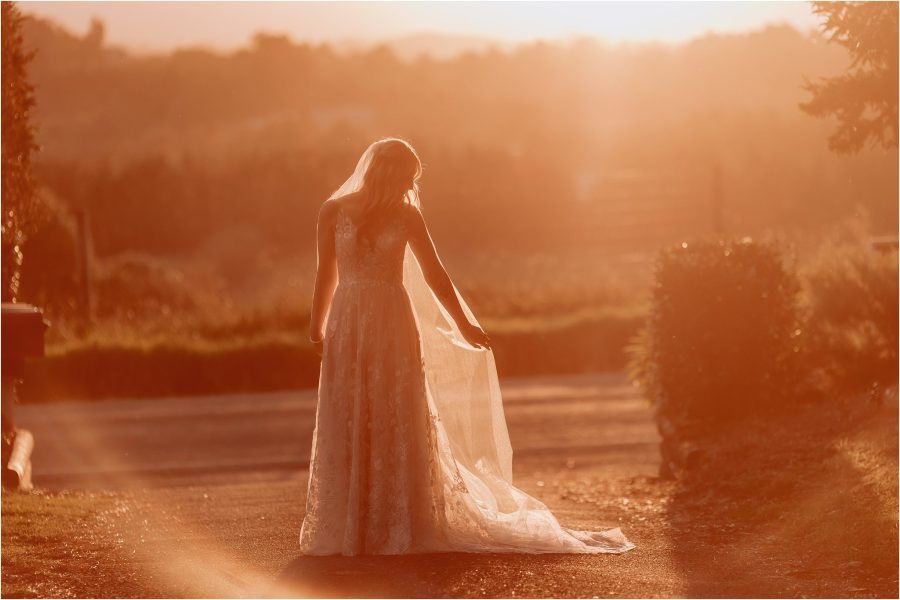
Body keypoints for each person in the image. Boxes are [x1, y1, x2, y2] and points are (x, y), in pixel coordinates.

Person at [299, 138, 634, 556]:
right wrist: (318, 328)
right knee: (350, 411)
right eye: (406, 177)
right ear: (390, 174)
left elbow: (435, 276)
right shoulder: (333, 212)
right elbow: (324, 274)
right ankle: (356, 522)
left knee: (394, 411)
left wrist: (464, 326)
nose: (409, 187)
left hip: (389, 323)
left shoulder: (405, 217)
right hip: (349, 321)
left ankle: (393, 520)